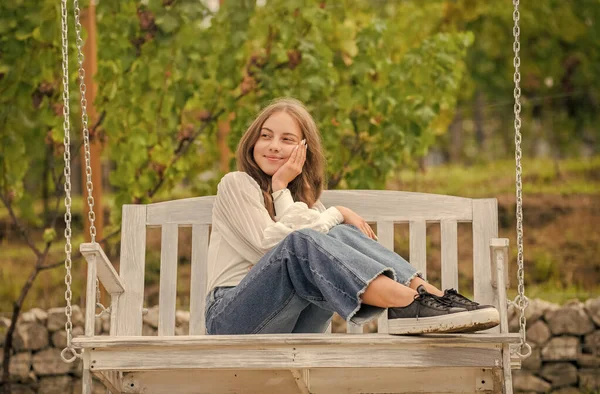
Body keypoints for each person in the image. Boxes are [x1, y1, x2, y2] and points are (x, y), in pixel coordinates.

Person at [204, 97, 500, 335]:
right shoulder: (236, 184)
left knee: (341, 234)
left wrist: (297, 201)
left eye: (287, 139)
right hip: (231, 318)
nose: (273, 146)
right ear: (252, 141)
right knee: (305, 240)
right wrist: (333, 210)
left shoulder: (307, 204)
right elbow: (269, 248)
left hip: (295, 321)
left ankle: (432, 297)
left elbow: (285, 254)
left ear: (305, 151)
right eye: (265, 136)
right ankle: (411, 304)